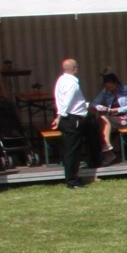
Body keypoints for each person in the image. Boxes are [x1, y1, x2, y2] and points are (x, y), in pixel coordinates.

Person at [53, 57, 92, 188]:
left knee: (71, 149)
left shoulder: (61, 80)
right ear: (75, 69)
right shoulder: (72, 83)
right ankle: (72, 180)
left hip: (69, 117)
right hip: (72, 118)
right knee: (73, 150)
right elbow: (67, 101)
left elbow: (60, 99)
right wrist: (59, 116)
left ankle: (73, 176)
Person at [91, 72, 127, 165]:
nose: (110, 90)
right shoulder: (105, 91)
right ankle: (106, 151)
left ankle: (107, 150)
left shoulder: (125, 89)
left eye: (111, 87)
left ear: (116, 83)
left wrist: (118, 110)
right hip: (112, 117)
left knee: (103, 120)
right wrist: (101, 107)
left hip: (126, 117)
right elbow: (94, 103)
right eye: (108, 87)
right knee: (98, 125)